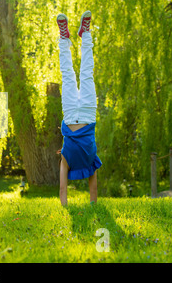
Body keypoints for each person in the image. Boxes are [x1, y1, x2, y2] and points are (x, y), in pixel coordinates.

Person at [56, 11, 102, 207]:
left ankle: (65, 37)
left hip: (79, 114)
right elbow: (66, 189)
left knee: (76, 74)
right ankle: (85, 33)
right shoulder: (86, 161)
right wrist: (67, 206)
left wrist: (65, 208)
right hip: (85, 114)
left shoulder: (72, 159)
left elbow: (63, 188)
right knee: (81, 74)